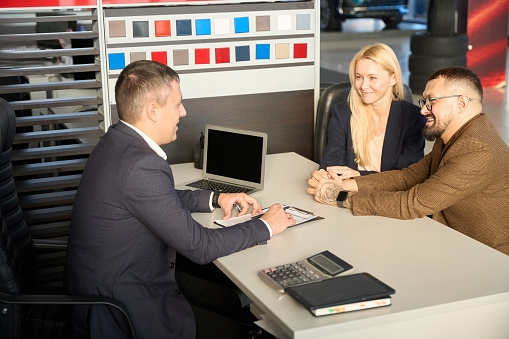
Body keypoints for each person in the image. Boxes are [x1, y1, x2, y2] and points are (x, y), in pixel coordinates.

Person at [66, 60, 296, 339]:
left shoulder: (117, 141)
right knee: (237, 331)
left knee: (229, 302)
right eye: (177, 104)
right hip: (123, 302)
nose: (183, 112)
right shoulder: (141, 166)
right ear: (153, 110)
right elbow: (200, 246)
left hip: (124, 275)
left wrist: (215, 198)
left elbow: (156, 199)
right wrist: (266, 226)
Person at [307, 66, 509, 256]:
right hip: (457, 242)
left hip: (490, 258)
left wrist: (341, 197)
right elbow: (408, 177)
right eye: (424, 101)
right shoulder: (454, 137)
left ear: (461, 103)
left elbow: (412, 203)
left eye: (432, 101)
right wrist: (344, 183)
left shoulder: (477, 152)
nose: (423, 110)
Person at [320, 43, 426, 178]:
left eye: (372, 78)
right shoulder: (342, 113)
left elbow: (406, 177)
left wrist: (359, 176)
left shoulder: (413, 118)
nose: (363, 86)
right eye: (359, 77)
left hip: (388, 196)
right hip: (346, 190)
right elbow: (332, 161)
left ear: (393, 78)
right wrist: (327, 176)